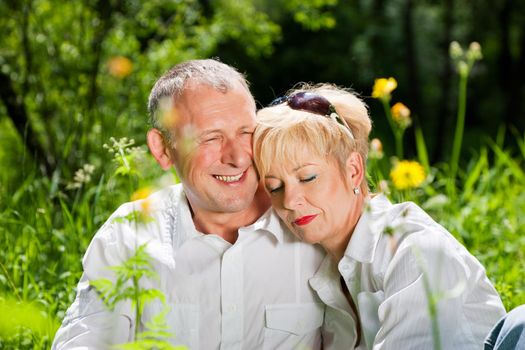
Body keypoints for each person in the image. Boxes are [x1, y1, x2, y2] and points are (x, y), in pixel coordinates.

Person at [52, 60, 328, 349]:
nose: (237, 157)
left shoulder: (313, 221)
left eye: (246, 132)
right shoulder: (126, 237)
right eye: (210, 137)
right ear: (162, 149)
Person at [252, 83, 513, 349]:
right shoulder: (325, 274)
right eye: (275, 187)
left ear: (353, 170)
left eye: (308, 177)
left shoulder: (413, 250)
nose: (289, 201)